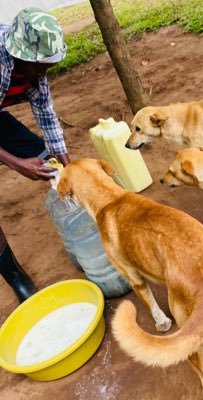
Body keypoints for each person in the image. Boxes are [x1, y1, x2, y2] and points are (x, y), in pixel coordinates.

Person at [0, 8, 70, 302]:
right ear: (20, 55)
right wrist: (16, 164)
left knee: (48, 161)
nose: (45, 71)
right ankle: (15, 276)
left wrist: (68, 168)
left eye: (48, 63)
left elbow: (47, 116)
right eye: (40, 65)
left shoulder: (35, 71)